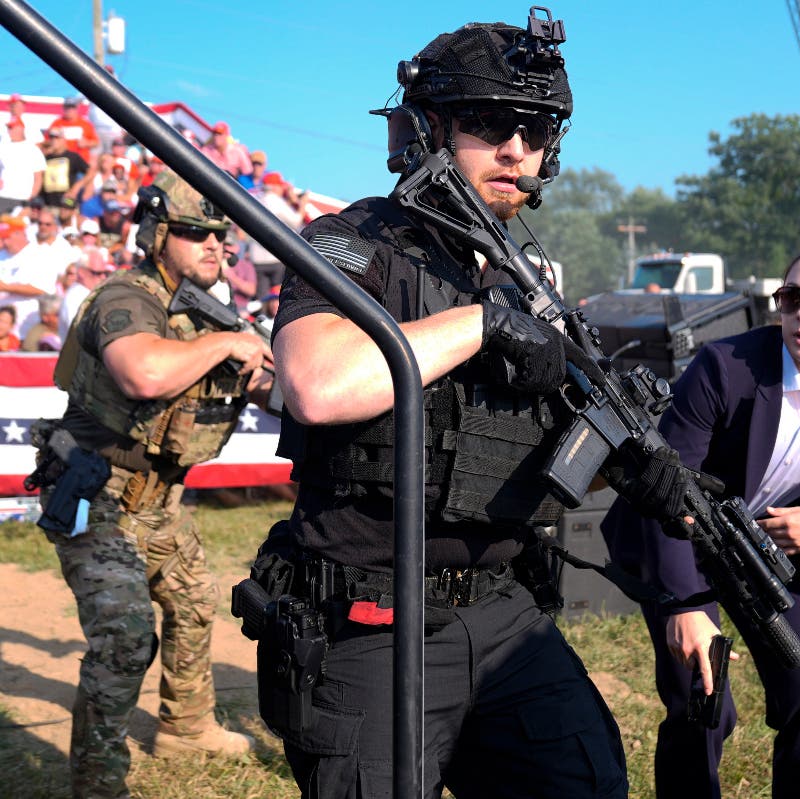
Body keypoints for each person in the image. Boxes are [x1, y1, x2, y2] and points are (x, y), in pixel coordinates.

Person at [265, 12, 627, 799]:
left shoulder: (527, 276)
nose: (515, 150)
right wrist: (481, 323)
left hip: (503, 611)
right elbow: (318, 384)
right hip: (372, 615)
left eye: (535, 131)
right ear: (429, 130)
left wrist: (627, 455)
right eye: (491, 123)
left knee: (588, 781)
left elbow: (547, 452)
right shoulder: (352, 239)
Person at [602, 241, 800, 799]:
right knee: (705, 705)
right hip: (679, 542)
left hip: (770, 562)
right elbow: (660, 487)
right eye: (791, 298)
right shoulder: (725, 367)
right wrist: (686, 606)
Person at [38, 169, 272, 799]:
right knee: (124, 634)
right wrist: (232, 340)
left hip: (159, 499)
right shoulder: (127, 299)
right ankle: (97, 781)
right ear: (159, 234)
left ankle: (186, 725)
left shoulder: (207, 316)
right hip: (92, 492)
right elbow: (142, 373)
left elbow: (268, 391)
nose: (215, 245)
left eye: (222, 236)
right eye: (197, 232)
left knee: (195, 602)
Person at [0, 115, 46, 213]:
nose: (9, 131)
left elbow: (38, 177)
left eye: (12, 127)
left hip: (23, 197)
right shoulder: (3, 147)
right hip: (3, 195)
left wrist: (32, 197)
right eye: (8, 128)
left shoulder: (33, 149)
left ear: (21, 128)